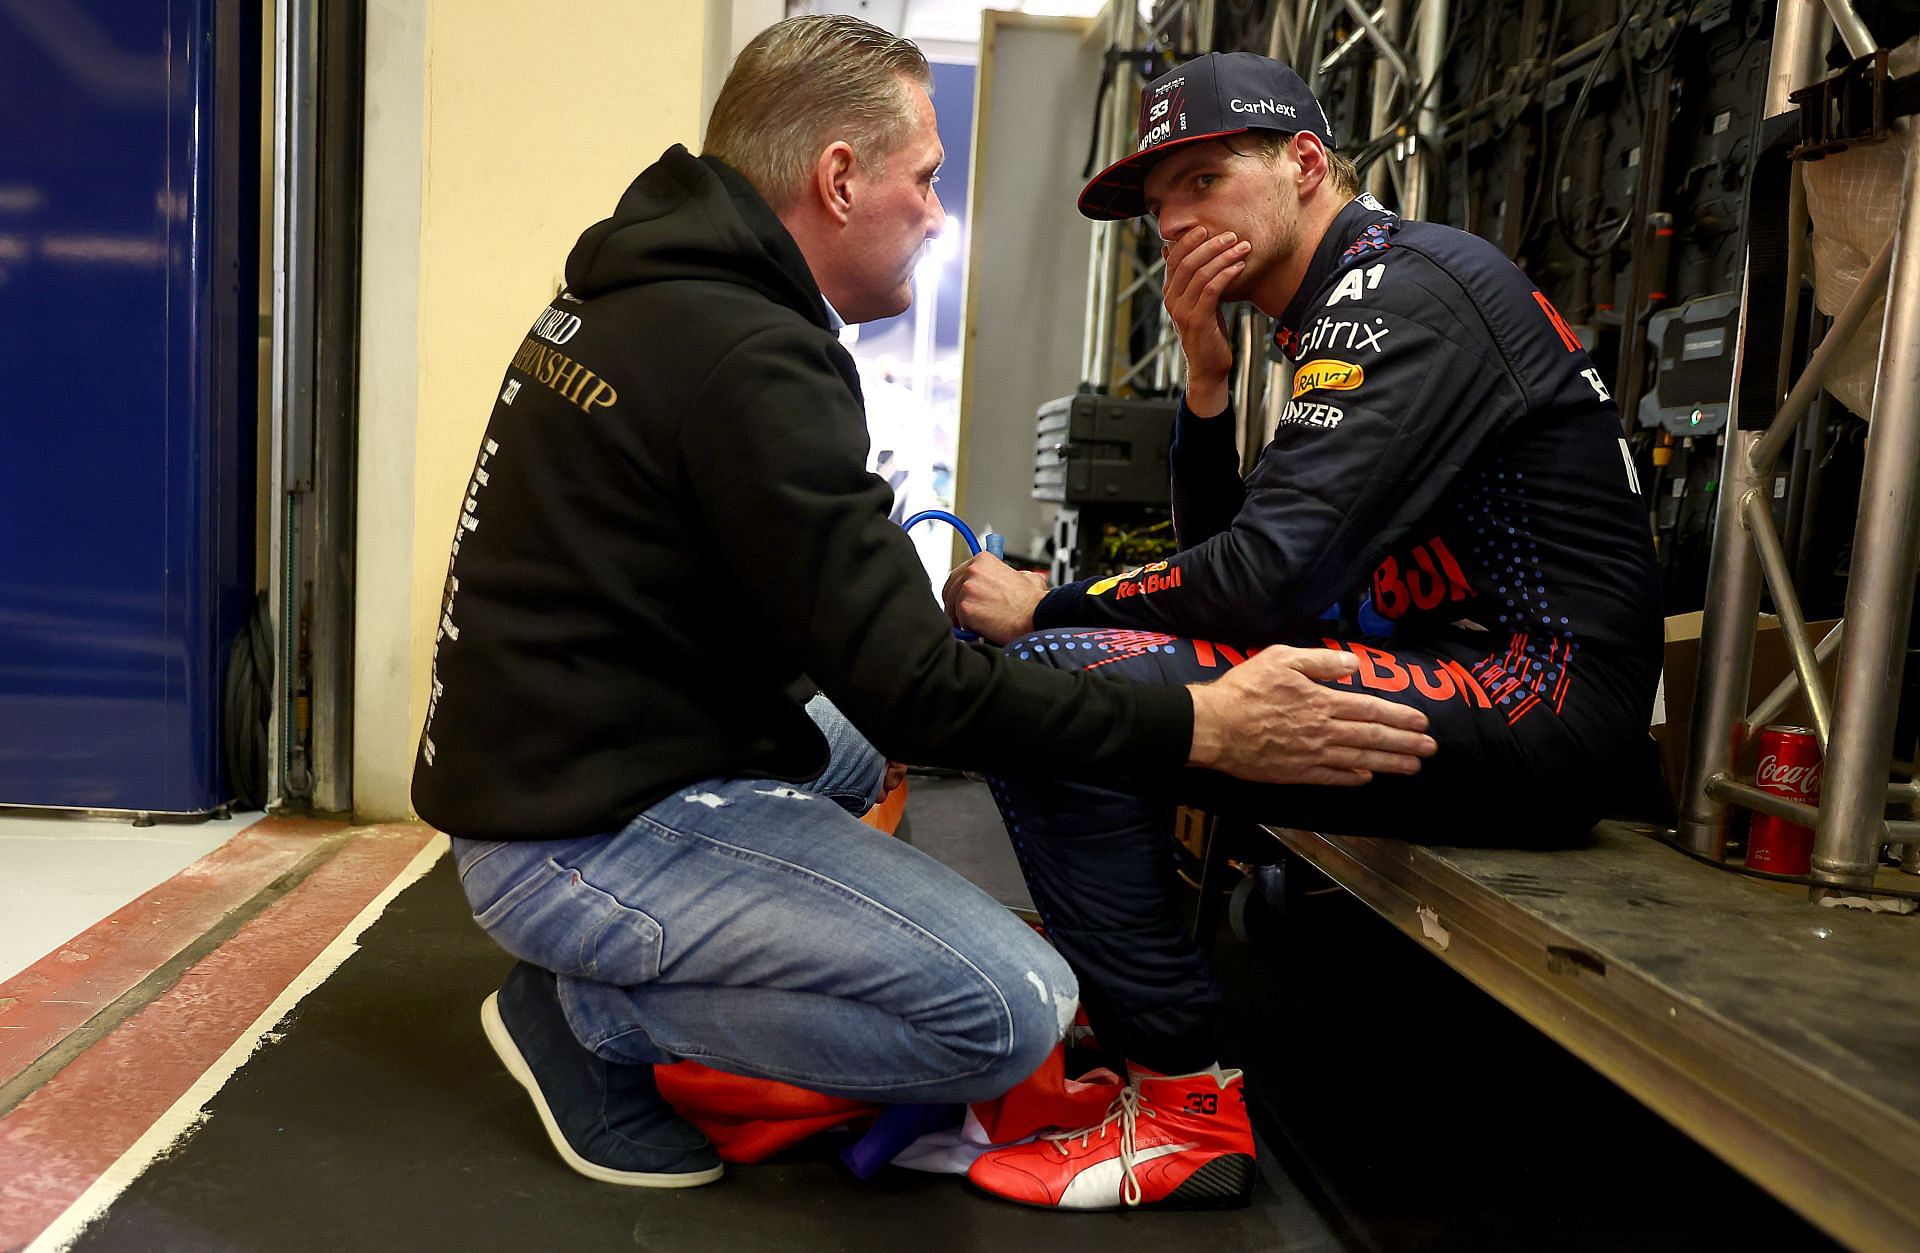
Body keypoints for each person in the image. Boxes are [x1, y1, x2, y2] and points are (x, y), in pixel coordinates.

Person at [410, 21, 1434, 1194]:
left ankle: (632, 955)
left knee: (860, 747)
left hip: (560, 761)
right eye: (928, 181)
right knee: (1013, 1008)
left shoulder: (649, 289)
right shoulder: (748, 356)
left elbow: (844, 640)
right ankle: (594, 1014)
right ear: (838, 179)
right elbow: (923, 692)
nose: (939, 214)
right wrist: (1204, 724)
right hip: (577, 835)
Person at [946, 51, 1663, 1211]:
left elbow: (1256, 582)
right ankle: (1148, 1062)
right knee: (1077, 677)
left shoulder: (1403, 291)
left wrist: (1052, 602)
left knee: (1059, 670)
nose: (1171, 217)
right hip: (1452, 667)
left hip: (1544, 695)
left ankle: (1181, 1105)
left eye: (1202, 178)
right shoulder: (1333, 303)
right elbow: (1247, 556)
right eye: (1155, 198)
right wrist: (1205, 372)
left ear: (1306, 164)